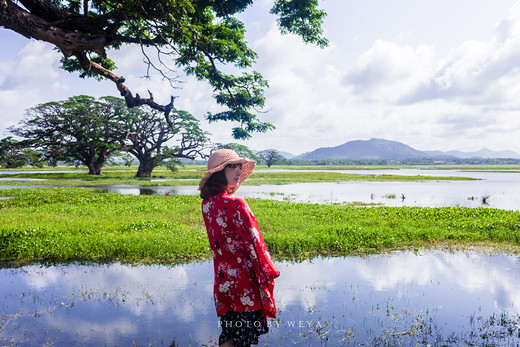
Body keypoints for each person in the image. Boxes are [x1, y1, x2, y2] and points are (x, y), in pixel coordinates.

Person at [199, 149, 280, 347]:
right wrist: (269, 271)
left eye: (238, 167)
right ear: (219, 172)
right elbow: (256, 245)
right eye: (231, 166)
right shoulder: (237, 204)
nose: (237, 171)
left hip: (223, 282)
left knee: (229, 335)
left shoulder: (207, 205)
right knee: (243, 340)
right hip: (245, 284)